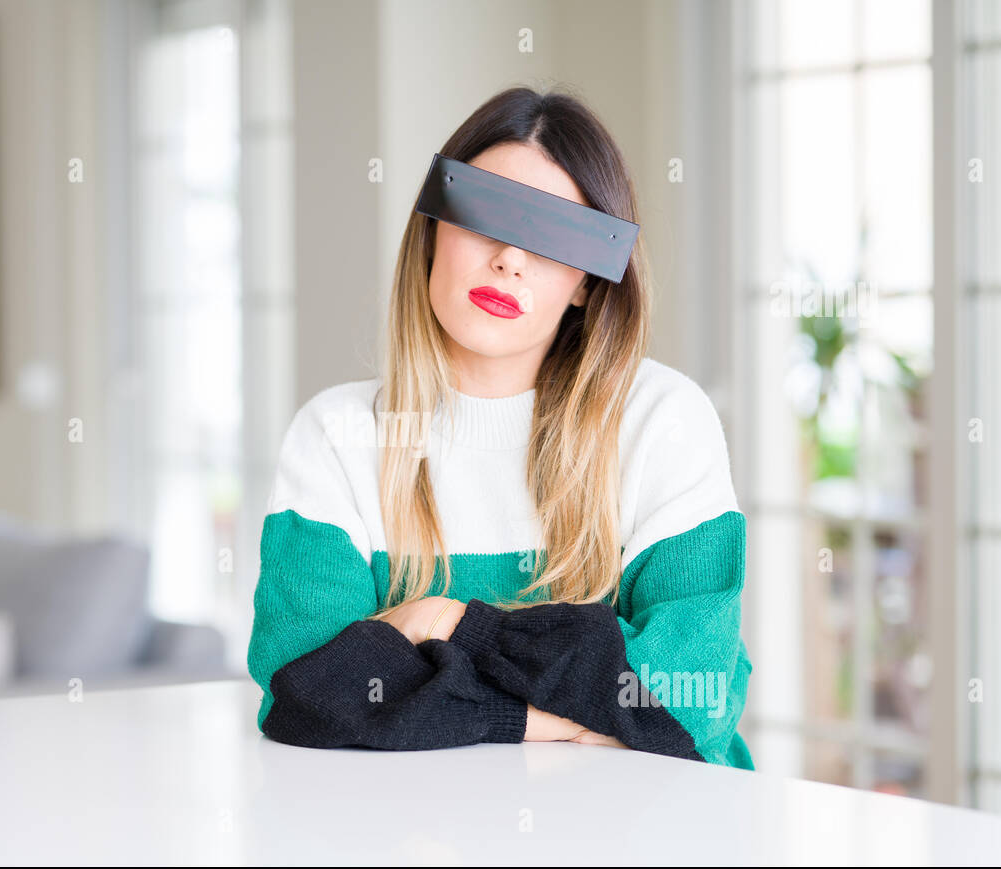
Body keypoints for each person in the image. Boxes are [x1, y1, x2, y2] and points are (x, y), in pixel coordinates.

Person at [246, 84, 753, 768]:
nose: (510, 257)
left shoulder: (663, 421)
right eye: (485, 211)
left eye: (553, 236)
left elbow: (695, 701)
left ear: (586, 281)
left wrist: (445, 622)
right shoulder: (337, 436)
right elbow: (299, 695)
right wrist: (558, 712)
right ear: (434, 230)